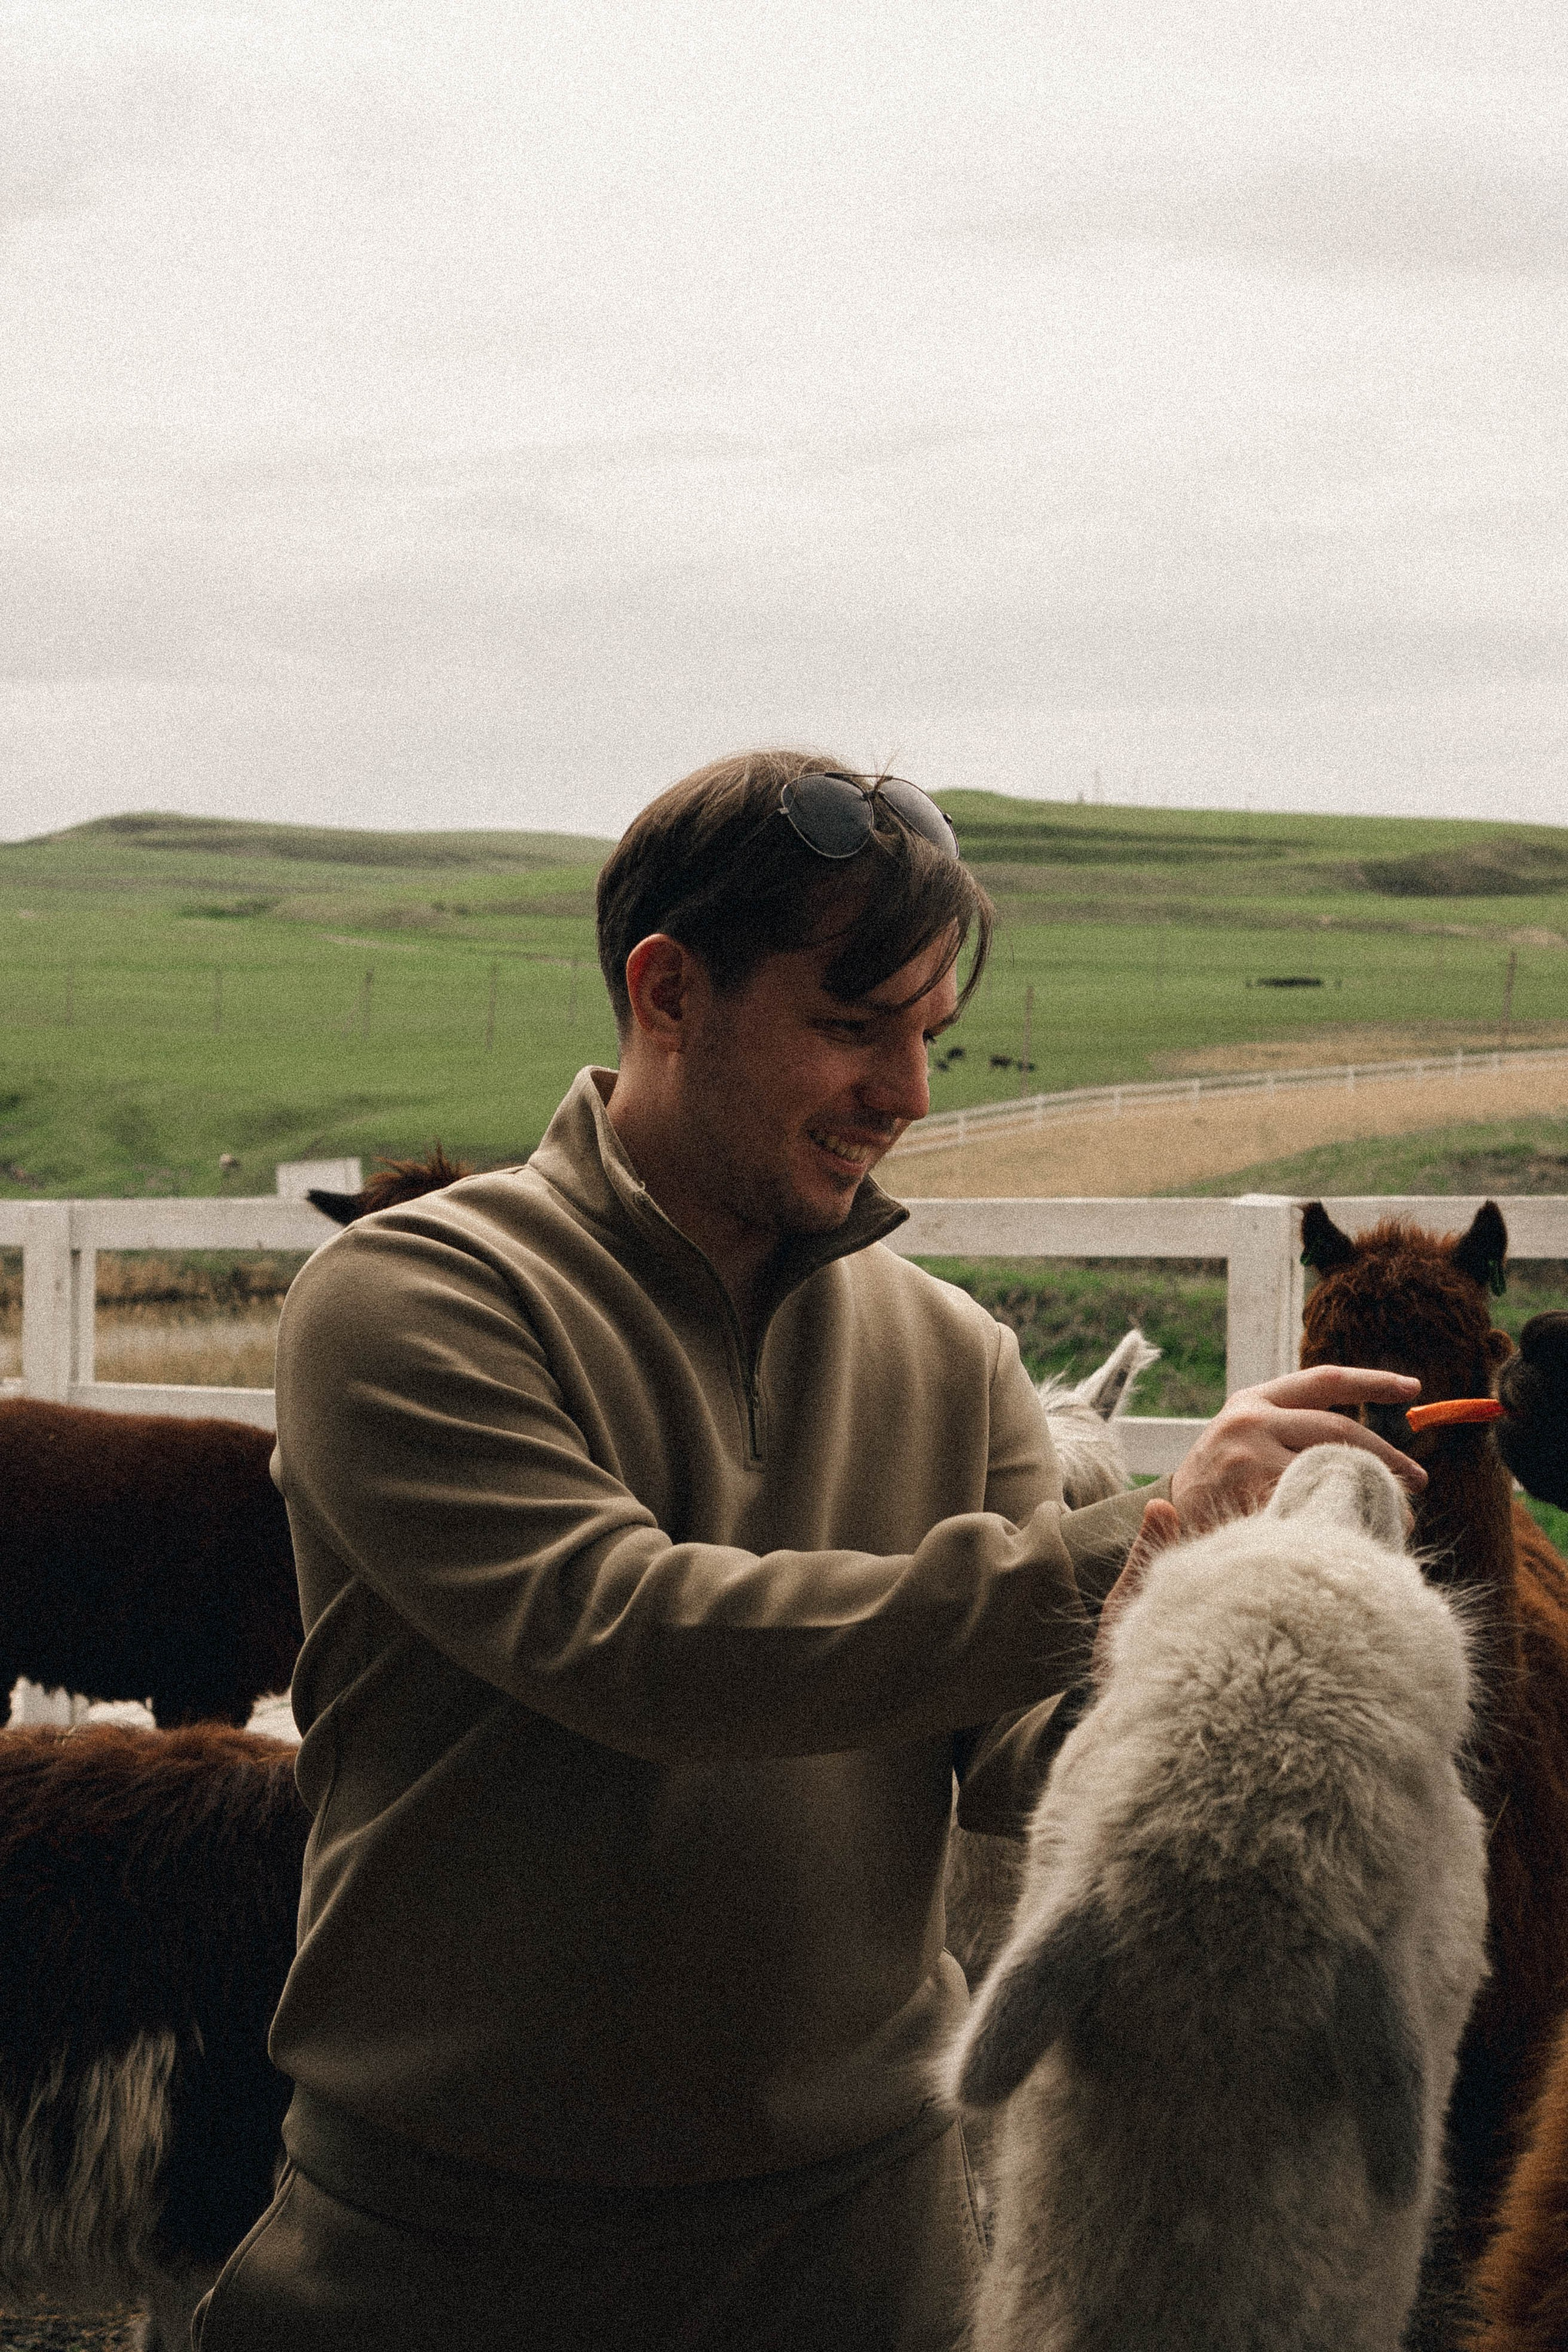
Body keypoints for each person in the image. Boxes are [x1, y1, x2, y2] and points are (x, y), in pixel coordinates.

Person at [195, 750, 1425, 2352]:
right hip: (445, 2259)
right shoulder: (406, 1300)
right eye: (853, 1026)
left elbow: (1021, 1762)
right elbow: (637, 1648)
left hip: (862, 2262)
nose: (910, 1094)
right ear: (667, 991)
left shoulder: (954, 1354)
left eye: (929, 1036)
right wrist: (1136, 1533)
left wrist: (1227, 1637)